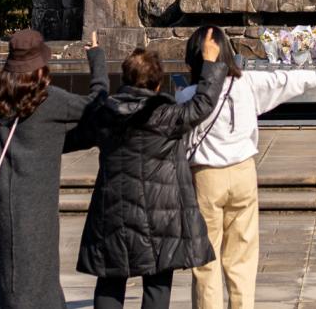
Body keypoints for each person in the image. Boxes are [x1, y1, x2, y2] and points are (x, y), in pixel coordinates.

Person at [177, 25, 316, 309]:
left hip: (206, 177)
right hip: (243, 174)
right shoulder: (248, 83)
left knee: (206, 260)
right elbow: (290, 80)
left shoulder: (187, 96)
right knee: (242, 258)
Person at [76, 36, 228, 309]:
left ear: (124, 80)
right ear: (158, 83)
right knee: (157, 283)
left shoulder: (103, 114)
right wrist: (210, 62)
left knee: (110, 280)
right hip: (162, 214)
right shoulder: (166, 116)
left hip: (113, 211)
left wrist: (97, 58)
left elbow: (97, 95)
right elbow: (204, 102)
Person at [0, 28, 108, 309]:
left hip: (1, 208)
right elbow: (97, 105)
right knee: (39, 277)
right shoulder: (49, 100)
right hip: (39, 210)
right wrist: (97, 60)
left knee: (6, 269)